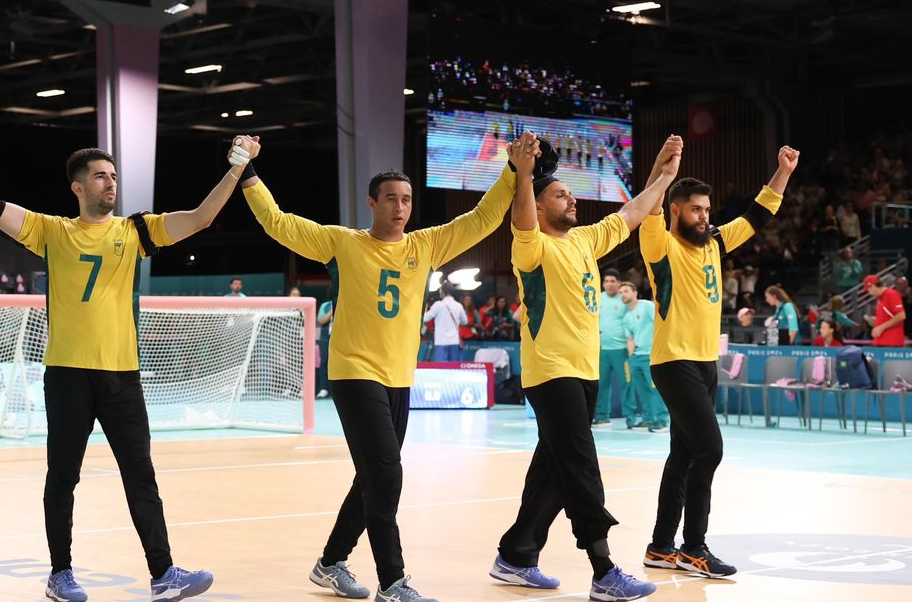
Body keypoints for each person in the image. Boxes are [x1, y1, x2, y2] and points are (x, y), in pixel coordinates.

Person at [0, 127, 250, 602]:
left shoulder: (135, 230)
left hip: (121, 376)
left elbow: (200, 218)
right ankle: (60, 574)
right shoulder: (51, 230)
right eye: (99, 177)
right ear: (77, 187)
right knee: (62, 477)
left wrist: (237, 166)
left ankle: (163, 574)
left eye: (113, 176)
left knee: (141, 475)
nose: (110, 184)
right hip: (68, 375)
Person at [242, 130, 524, 602]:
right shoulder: (342, 243)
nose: (400, 207)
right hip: (354, 372)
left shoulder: (427, 245)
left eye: (407, 199)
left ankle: (330, 562)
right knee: (388, 474)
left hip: (399, 376)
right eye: (390, 198)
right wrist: (247, 171)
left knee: (372, 476)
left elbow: (483, 218)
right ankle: (393, 581)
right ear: (371, 203)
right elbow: (278, 222)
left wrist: (512, 171)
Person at [492, 134, 680, 601]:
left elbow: (632, 213)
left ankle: (516, 554)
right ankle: (603, 570)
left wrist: (663, 177)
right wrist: (524, 173)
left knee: (554, 469)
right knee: (579, 465)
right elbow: (520, 212)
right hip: (550, 370)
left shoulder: (584, 240)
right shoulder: (531, 245)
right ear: (536, 204)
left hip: (583, 369)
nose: (572, 197)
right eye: (560, 193)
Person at [640, 145, 796, 580]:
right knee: (710, 449)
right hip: (674, 360)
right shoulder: (660, 245)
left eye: (707, 209)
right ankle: (693, 548)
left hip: (707, 361)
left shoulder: (714, 243)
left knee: (682, 455)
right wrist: (664, 169)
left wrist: (782, 172)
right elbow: (649, 202)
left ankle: (660, 546)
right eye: (695, 210)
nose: (705, 216)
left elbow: (757, 215)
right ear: (675, 212)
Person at [619, 283, 667, 432]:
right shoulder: (626, 317)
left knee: (655, 389)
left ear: (635, 293)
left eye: (626, 291)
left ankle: (662, 420)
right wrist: (630, 357)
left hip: (651, 355)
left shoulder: (646, 306)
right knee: (642, 390)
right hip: (636, 358)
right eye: (621, 292)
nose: (623, 294)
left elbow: (661, 322)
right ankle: (647, 419)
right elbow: (630, 339)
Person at [593, 270, 627, 427]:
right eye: (606, 281)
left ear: (619, 283)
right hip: (602, 349)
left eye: (613, 281)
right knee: (602, 385)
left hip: (622, 350)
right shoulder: (598, 297)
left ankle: (632, 417)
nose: (609, 284)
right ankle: (602, 416)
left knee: (627, 384)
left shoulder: (625, 298)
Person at [424, 287, 467, 364]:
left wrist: (425, 308)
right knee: (454, 369)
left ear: (443, 292)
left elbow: (425, 318)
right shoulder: (458, 305)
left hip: (441, 342)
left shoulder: (438, 305)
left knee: (441, 369)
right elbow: (465, 321)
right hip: (454, 341)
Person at [864, 274, 907, 347]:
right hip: (882, 342)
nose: (869, 293)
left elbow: (901, 315)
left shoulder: (891, 294)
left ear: (872, 287)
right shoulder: (880, 298)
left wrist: (881, 327)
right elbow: (887, 317)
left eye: (868, 290)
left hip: (891, 343)